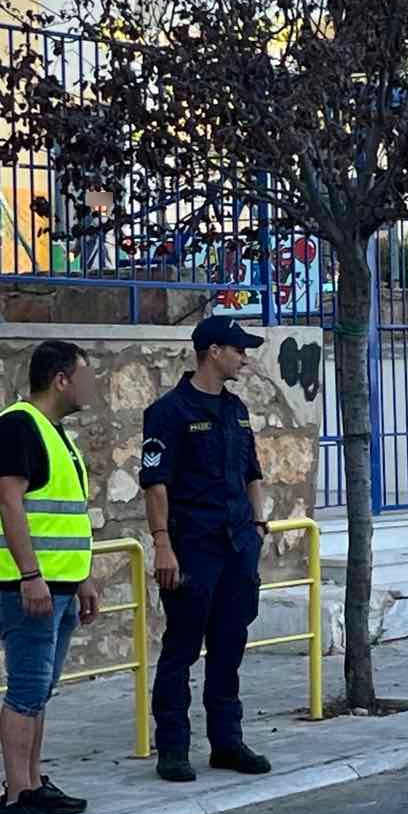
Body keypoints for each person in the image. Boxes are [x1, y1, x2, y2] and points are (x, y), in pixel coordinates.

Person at [0, 340, 100, 814]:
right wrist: (30, 576)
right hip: (27, 586)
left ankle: (33, 783)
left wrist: (81, 577)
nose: (90, 387)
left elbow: (64, 516)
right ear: (60, 380)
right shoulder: (17, 426)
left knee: (39, 689)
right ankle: (15, 800)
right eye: (84, 377)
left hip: (59, 585)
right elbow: (11, 504)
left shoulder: (54, 431)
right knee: (26, 690)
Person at [140, 317, 271, 782]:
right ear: (213, 352)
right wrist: (163, 544)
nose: (244, 359)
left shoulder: (236, 409)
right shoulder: (169, 412)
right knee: (181, 648)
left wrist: (258, 523)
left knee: (229, 644)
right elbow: (156, 483)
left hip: (237, 545)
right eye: (238, 350)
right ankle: (173, 748)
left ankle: (227, 741)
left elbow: (251, 472)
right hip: (193, 546)